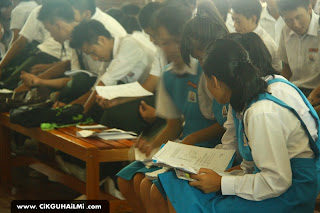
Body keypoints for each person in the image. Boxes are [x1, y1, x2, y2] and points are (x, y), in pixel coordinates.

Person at [150, 38, 320, 213]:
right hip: (274, 181)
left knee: (188, 202)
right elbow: (255, 162)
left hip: (293, 192)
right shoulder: (251, 96)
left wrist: (221, 182)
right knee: (175, 188)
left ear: (214, 81)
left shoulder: (260, 112)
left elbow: (276, 181)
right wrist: (226, 176)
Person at [117, 2, 229, 213]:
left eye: (174, 42)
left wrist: (190, 141)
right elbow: (172, 125)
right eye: (163, 43)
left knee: (151, 187)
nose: (168, 49)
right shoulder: (168, 75)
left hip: (211, 149)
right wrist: (152, 146)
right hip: (184, 149)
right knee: (128, 179)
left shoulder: (208, 70)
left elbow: (224, 124)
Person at [277, 0, 320, 96]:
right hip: (294, 90)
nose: (295, 25)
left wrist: (311, 99)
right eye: (288, 20)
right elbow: (286, 67)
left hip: (316, 91)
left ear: (309, 9)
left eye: (298, 17)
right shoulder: (286, 31)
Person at [231, 0, 282, 72]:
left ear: (253, 19)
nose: (235, 26)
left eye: (238, 21)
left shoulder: (264, 43)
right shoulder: (242, 37)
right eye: (233, 20)